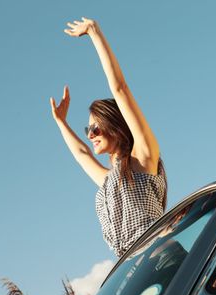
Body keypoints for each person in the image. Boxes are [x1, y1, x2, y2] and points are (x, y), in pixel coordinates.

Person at [49, 17, 167, 258]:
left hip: (162, 257)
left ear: (115, 126)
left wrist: (94, 32)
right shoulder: (109, 181)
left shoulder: (143, 159)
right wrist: (61, 122)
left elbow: (120, 88)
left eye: (96, 128)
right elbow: (82, 155)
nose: (91, 135)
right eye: (88, 130)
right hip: (132, 266)